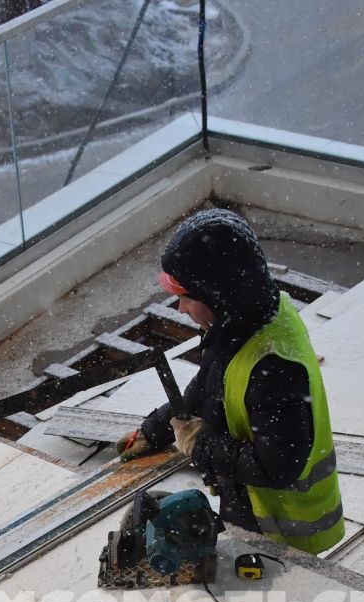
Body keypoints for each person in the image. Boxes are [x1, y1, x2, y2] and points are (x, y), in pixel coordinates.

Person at [117, 209, 344, 555]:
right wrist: (157, 428)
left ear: (219, 295)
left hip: (286, 529)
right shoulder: (244, 320)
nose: (180, 309)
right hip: (249, 501)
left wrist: (201, 446)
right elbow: (210, 384)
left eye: (188, 298)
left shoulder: (274, 370)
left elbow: (276, 468)